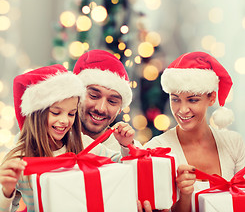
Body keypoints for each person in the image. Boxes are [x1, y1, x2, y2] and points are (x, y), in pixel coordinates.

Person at [0, 64, 135, 211]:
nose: (65, 120)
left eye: (71, 113)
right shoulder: (18, 159)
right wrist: (6, 192)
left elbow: (124, 168)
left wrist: (125, 146)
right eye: (56, 113)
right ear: (36, 114)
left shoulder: (84, 144)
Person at [142, 51, 245, 212]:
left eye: (193, 100)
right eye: (175, 99)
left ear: (211, 98)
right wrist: (184, 195)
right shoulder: (156, 150)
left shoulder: (234, 143)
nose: (182, 110)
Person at [73, 49, 143, 150]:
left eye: (112, 101)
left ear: (120, 109)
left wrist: (128, 147)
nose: (101, 109)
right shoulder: (56, 140)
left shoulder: (129, 148)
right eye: (93, 96)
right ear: (77, 96)